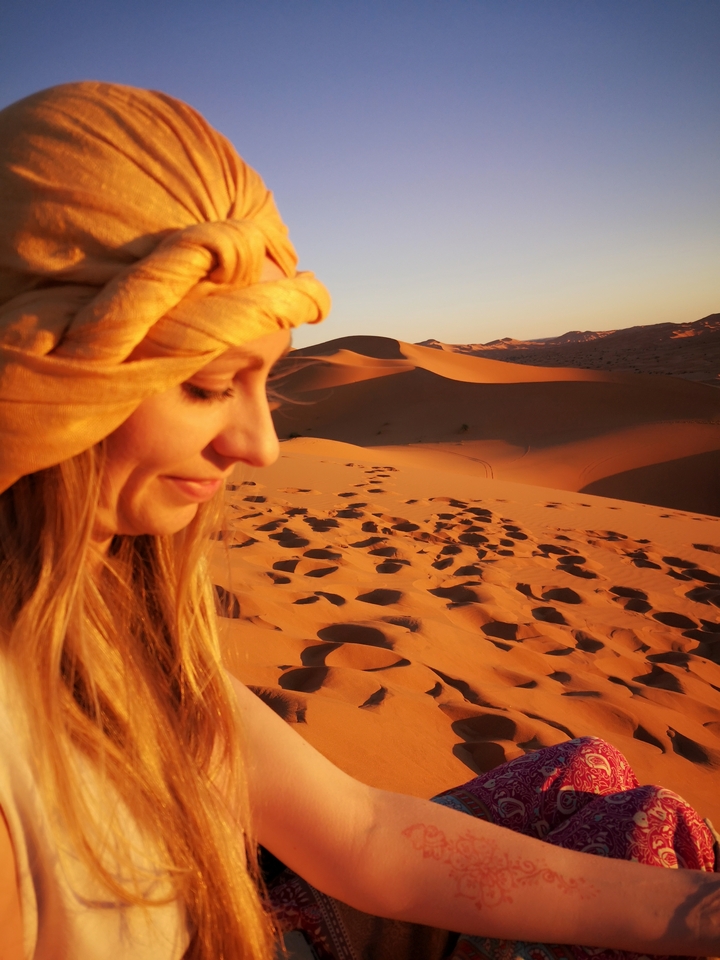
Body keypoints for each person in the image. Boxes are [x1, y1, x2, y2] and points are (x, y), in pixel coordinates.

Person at [0, 81, 717, 960]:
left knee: (620, 803)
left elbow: (364, 836)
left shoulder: (110, 617)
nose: (260, 444)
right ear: (38, 374)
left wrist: (698, 914)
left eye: (268, 383)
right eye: (207, 386)